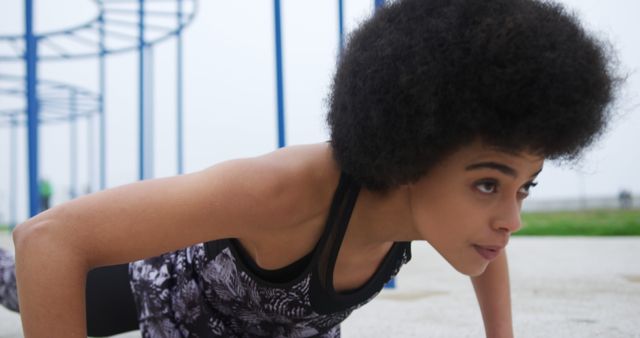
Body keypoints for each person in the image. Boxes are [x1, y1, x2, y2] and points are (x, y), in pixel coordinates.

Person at [0, 0, 617, 336]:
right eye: (489, 183)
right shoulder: (284, 190)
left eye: (524, 188)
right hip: (135, 293)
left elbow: (488, 244)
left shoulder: (452, 215)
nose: (509, 219)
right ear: (411, 151)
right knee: (9, 276)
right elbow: (48, 238)